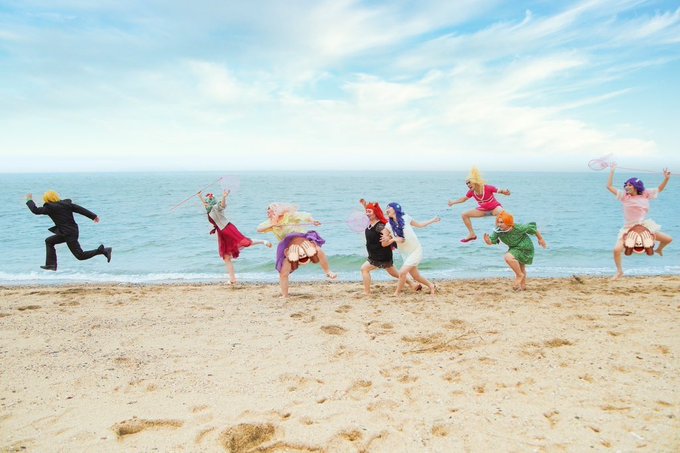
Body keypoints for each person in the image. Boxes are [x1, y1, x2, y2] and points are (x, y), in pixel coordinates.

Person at [606, 164, 672, 279]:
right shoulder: (624, 197)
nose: (626, 187)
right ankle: (619, 272)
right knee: (616, 250)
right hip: (629, 228)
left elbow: (659, 189)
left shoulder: (646, 194)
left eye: (630, 185)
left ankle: (659, 250)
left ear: (636, 187)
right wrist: (612, 171)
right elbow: (609, 186)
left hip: (643, 227)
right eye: (626, 185)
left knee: (668, 239)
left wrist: (666, 178)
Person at [257, 203, 336, 298]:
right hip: (288, 247)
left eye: (271, 210)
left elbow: (305, 216)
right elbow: (259, 228)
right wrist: (272, 224)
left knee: (317, 250)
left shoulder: (289, 216)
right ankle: (285, 295)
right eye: (268, 211)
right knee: (283, 272)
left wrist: (313, 221)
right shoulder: (270, 223)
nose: (268, 213)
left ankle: (328, 271)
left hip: (300, 239)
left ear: (277, 211)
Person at [198, 190, 271, 285]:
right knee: (226, 257)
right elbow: (205, 204)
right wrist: (200, 196)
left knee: (244, 242)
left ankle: (263, 241)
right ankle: (232, 279)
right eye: (206, 202)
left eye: (208, 202)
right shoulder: (208, 210)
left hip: (228, 228)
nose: (205, 204)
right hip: (221, 233)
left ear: (211, 202)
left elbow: (222, 205)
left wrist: (224, 197)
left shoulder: (216, 207)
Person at [25, 191, 112, 271]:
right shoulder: (66, 204)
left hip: (68, 234)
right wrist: (93, 216)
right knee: (49, 241)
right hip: (70, 231)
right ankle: (51, 265)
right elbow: (80, 209)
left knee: (80, 255)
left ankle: (103, 250)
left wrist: (29, 200)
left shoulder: (50, 207)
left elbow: (35, 210)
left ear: (47, 199)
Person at [359, 199, 420, 295]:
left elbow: (390, 233)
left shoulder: (379, 226)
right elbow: (370, 214)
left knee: (364, 269)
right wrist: (365, 206)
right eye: (366, 212)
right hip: (377, 253)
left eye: (369, 212)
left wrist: (391, 238)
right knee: (393, 273)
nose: (367, 213)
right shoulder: (372, 223)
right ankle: (413, 284)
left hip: (380, 254)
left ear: (375, 213)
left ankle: (367, 292)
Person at [380, 202, 440, 295]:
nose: (387, 210)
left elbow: (419, 225)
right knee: (416, 276)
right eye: (386, 208)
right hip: (405, 253)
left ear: (395, 209)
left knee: (402, 272)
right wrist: (392, 239)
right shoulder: (388, 226)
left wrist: (432, 220)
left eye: (389, 208)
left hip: (416, 250)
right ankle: (431, 286)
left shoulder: (406, 218)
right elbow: (384, 244)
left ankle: (396, 293)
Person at [483, 211, 546, 290]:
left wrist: (540, 239)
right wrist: (487, 241)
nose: (499, 224)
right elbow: (492, 241)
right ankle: (523, 287)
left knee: (508, 257)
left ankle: (519, 275)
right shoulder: (498, 231)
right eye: (498, 222)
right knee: (521, 268)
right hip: (514, 247)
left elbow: (532, 229)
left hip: (524, 247)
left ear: (508, 222)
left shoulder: (518, 228)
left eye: (502, 222)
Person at [448, 167, 511, 243]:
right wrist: (453, 202)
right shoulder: (471, 192)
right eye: (466, 183)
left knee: (501, 212)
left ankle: (496, 236)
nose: (468, 185)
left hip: (494, 209)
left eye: (469, 182)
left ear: (475, 182)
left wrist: (505, 192)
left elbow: (499, 190)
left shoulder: (487, 188)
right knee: (464, 214)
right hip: (484, 211)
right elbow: (463, 199)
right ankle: (472, 234)